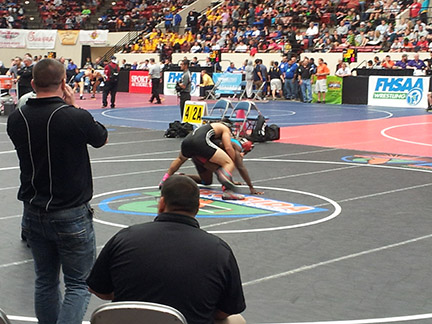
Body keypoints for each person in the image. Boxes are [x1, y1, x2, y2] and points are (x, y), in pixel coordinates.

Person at [7, 58, 108, 324]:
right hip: (70, 213)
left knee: (45, 281)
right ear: (64, 83)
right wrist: (72, 105)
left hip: (34, 210)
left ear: (32, 84)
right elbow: (100, 138)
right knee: (78, 284)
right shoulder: (73, 116)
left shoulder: (17, 118)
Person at [87, 175, 246, 324]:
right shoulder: (219, 250)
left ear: (162, 203)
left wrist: (132, 300)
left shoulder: (125, 237)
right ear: (197, 208)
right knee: (237, 320)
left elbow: (98, 289)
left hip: (130, 320)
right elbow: (227, 310)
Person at [160, 122, 256, 197]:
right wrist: (232, 162)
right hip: (201, 145)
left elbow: (181, 158)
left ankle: (166, 179)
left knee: (206, 180)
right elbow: (228, 148)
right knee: (228, 163)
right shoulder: (225, 130)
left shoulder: (209, 130)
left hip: (188, 142)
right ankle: (228, 191)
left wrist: (230, 179)